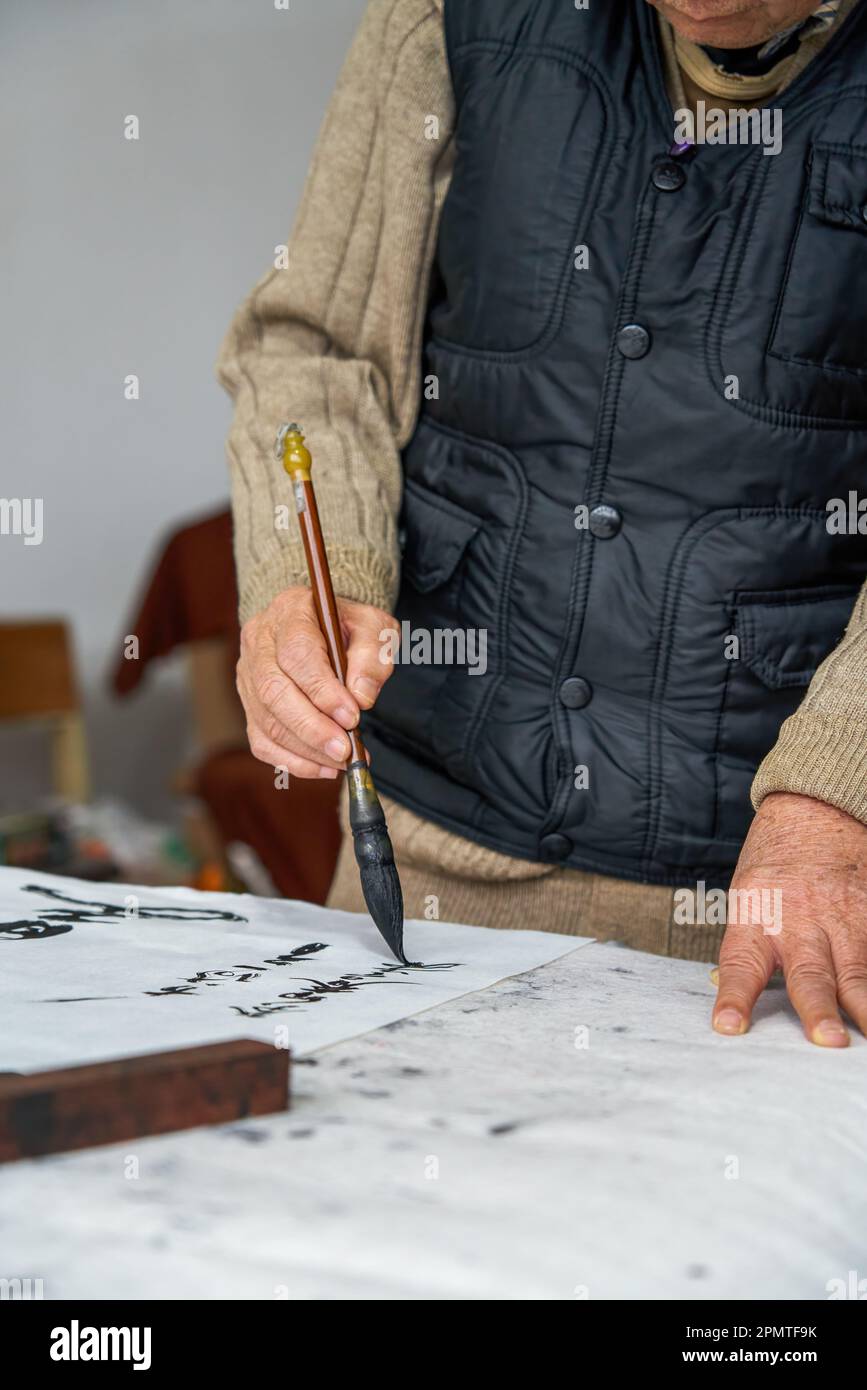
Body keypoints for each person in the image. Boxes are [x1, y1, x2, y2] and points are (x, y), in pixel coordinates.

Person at [218, 0, 867, 1047]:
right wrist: (310, 571)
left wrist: (842, 784)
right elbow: (315, 347)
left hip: (784, 903)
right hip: (435, 858)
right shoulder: (448, 13)